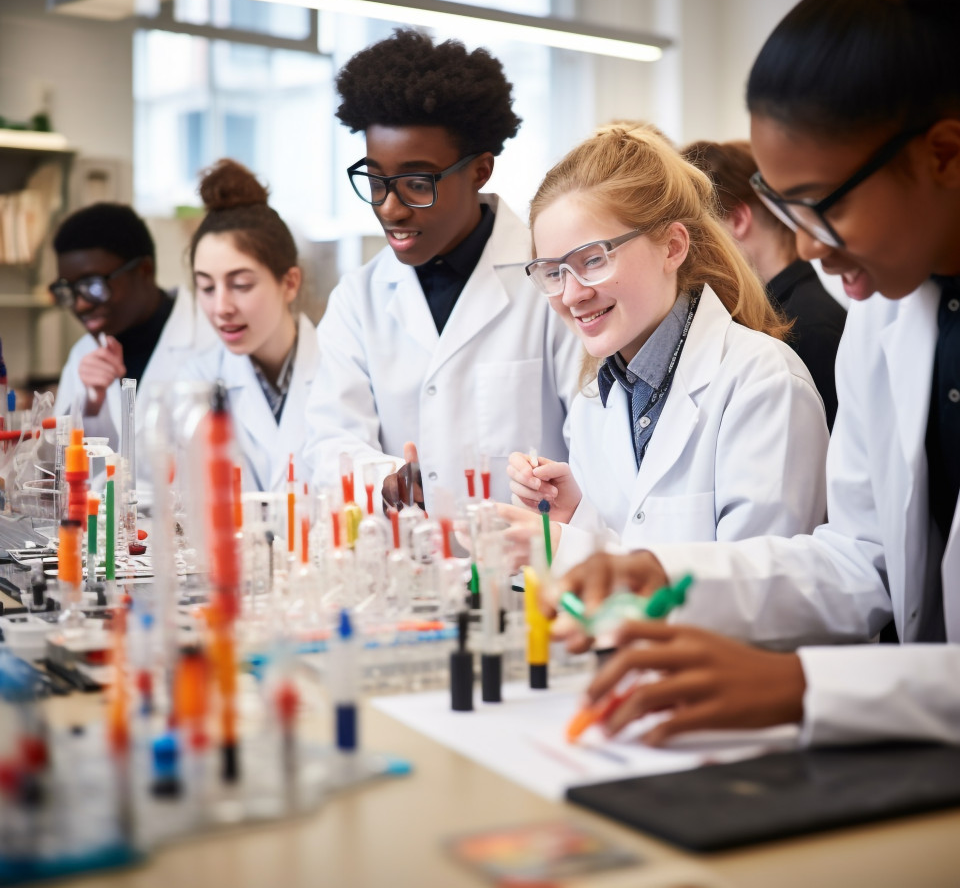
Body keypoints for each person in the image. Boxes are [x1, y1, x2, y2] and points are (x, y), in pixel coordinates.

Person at [551, 0, 960, 748]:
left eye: (824, 203)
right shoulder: (886, 315)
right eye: (784, 207)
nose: (806, 246)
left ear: (944, 153)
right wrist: (664, 570)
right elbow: (860, 560)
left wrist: (804, 683)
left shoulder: (785, 359)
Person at [504, 122, 829, 574]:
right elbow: (630, 544)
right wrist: (575, 516)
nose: (572, 294)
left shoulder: (761, 382)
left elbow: (763, 590)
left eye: (593, 259)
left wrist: (569, 552)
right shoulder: (594, 401)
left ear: (672, 246)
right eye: (553, 271)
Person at [302, 28, 579, 510]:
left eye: (415, 182)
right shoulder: (358, 299)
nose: (390, 208)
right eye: (375, 180)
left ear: (480, 170)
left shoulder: (551, 282)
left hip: (528, 571)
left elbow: (596, 438)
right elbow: (328, 441)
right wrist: (385, 478)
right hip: (408, 568)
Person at [682, 139, 846, 428]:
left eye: (699, 233)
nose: (689, 253)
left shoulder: (807, 325)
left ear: (738, 219)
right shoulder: (778, 312)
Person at [188, 159, 318, 492]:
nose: (221, 308)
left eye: (241, 284)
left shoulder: (342, 369)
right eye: (206, 287)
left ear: (289, 283)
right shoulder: (196, 380)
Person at [52, 202, 217, 453]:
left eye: (94, 286)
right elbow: (57, 468)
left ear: (144, 270)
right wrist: (92, 407)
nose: (80, 304)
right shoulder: (82, 355)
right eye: (69, 290)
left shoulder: (211, 338)